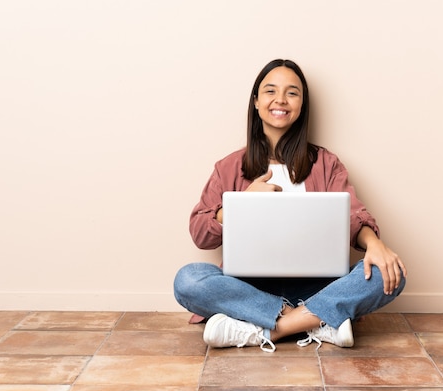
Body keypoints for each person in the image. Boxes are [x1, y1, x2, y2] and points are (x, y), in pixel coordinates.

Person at [174, 58, 406, 353]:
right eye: (270, 91)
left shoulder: (326, 163)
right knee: (188, 279)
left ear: (302, 105)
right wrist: (239, 205)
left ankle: (264, 329)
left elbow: (352, 216)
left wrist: (374, 244)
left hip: (318, 285)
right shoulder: (229, 166)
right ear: (256, 102)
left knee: (390, 272)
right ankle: (317, 321)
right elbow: (200, 233)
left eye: (292, 93)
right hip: (248, 287)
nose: (280, 100)